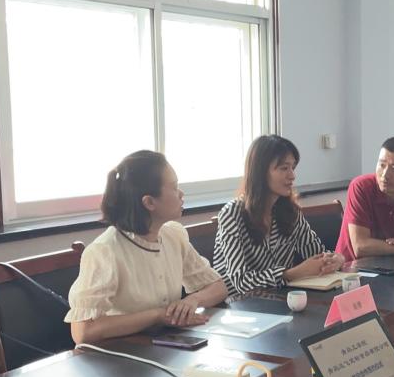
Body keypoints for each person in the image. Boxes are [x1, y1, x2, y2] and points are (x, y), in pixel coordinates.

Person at [66, 150, 228, 343]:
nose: (181, 194)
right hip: (124, 357)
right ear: (149, 202)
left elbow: (218, 288)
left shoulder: (172, 235)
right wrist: (157, 315)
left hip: (169, 346)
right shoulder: (105, 251)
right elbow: (83, 332)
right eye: (175, 188)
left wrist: (192, 300)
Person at [212, 135, 343, 296]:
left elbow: (316, 253)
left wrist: (336, 259)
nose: (292, 176)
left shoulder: (291, 212)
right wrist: (292, 274)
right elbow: (240, 281)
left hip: (279, 299)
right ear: (260, 172)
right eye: (284, 168)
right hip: (238, 308)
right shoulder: (232, 214)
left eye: (293, 167)